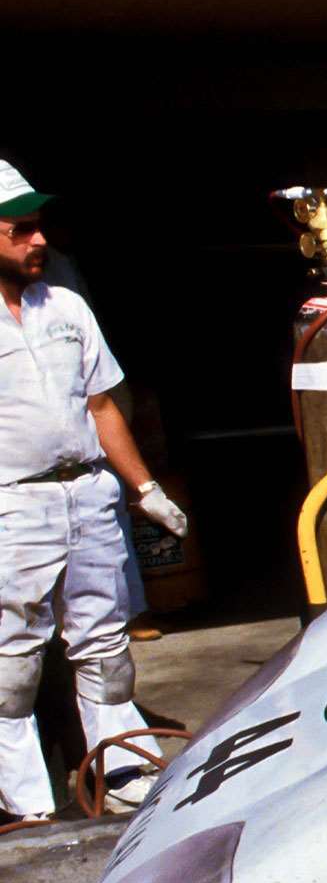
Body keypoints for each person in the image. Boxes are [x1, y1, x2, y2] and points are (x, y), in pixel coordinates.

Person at [0, 160, 186, 821]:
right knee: (12, 662)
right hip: (12, 503)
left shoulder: (67, 305)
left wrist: (144, 486)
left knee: (105, 646)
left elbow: (103, 405)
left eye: (38, 226)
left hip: (86, 495)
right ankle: (26, 800)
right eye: (20, 229)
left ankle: (122, 769)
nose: (38, 240)